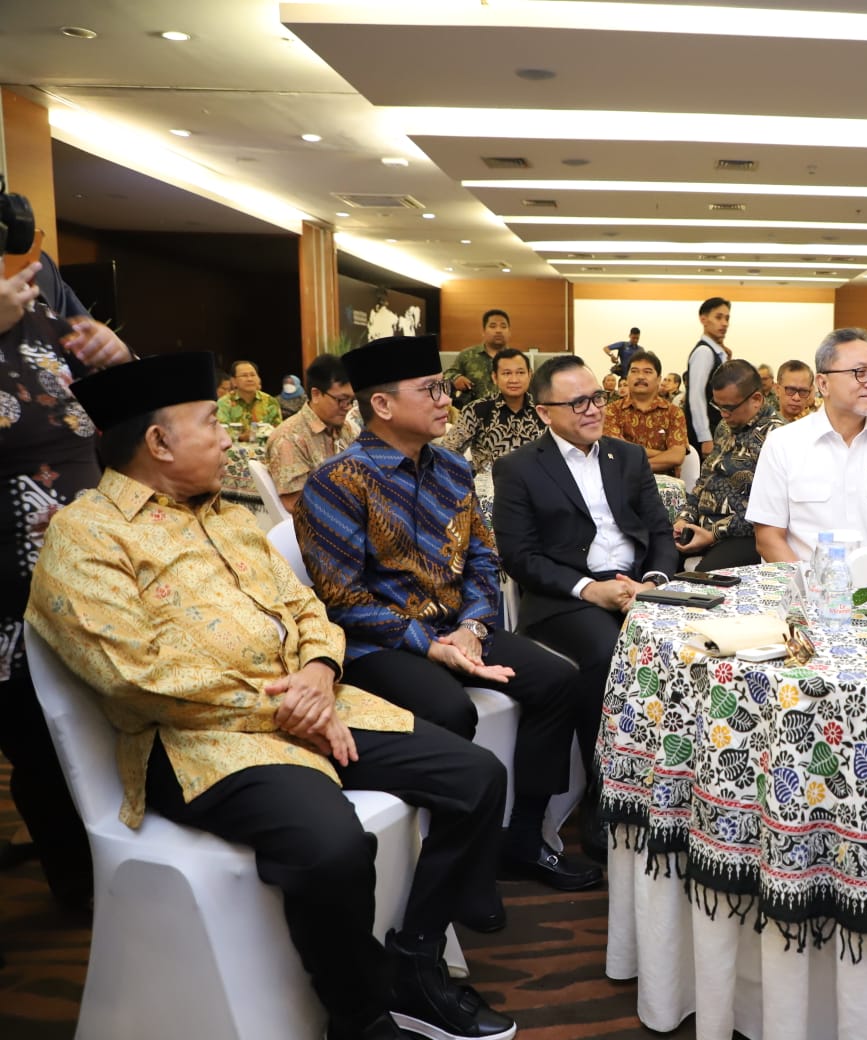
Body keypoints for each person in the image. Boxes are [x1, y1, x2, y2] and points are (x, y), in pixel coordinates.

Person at [27, 351, 516, 1040]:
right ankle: (362, 1015)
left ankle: (414, 960)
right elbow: (134, 678)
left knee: (476, 777)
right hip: (200, 742)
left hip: (312, 708)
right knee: (332, 846)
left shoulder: (228, 517)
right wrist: (288, 709)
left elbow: (309, 608)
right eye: (209, 423)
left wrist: (318, 675)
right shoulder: (86, 536)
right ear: (160, 442)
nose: (230, 435)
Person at [296, 336, 598, 892]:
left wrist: (472, 626)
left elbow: (485, 559)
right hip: (380, 642)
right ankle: (457, 871)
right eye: (430, 389)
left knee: (560, 680)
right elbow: (342, 598)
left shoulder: (453, 470)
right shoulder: (337, 481)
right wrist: (428, 643)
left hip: (457, 628)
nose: (445, 401)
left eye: (442, 387)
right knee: (447, 707)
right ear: (382, 405)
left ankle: (525, 839)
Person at [491, 355, 678, 844]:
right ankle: (604, 793)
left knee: (690, 648)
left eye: (597, 397)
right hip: (564, 595)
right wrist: (590, 589)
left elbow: (659, 530)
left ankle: (670, 784)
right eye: (577, 402)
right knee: (606, 652)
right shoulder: (518, 469)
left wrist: (653, 584)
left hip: (638, 587)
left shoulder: (628, 456)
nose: (593, 409)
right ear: (544, 413)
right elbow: (520, 556)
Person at [0, 259, 131, 917]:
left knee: (94, 714)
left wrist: (119, 360)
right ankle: (79, 888)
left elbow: (133, 420)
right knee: (34, 725)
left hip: (87, 562)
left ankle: (109, 863)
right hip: (9, 579)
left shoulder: (44, 322)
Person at [748, 328, 867, 561]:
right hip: (807, 586)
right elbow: (768, 538)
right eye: (860, 373)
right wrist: (812, 588)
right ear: (823, 384)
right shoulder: (783, 443)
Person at [673, 359, 784, 570]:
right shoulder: (725, 427)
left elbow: (769, 510)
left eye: (729, 408)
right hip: (702, 526)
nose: (723, 414)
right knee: (656, 552)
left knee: (704, 577)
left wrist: (712, 534)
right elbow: (705, 480)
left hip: (744, 534)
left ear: (757, 399)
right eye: (718, 406)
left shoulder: (777, 436)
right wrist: (684, 519)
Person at [266, 353, 361, 513]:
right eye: (341, 400)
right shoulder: (290, 438)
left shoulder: (346, 429)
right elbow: (296, 503)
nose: (348, 407)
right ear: (316, 394)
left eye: (351, 400)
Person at [441, 348, 544, 472]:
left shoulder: (544, 410)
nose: (514, 379)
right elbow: (447, 451)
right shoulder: (476, 409)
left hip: (533, 485)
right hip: (489, 487)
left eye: (520, 373)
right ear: (495, 377)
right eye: (506, 373)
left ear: (530, 375)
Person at [602, 351, 689, 475]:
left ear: (658, 379)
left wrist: (634, 466)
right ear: (627, 377)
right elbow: (616, 449)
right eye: (634, 371)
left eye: (647, 372)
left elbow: (676, 456)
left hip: (663, 485)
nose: (640, 376)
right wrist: (663, 455)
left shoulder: (673, 413)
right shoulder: (611, 410)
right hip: (621, 481)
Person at [685, 297, 732, 458]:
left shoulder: (718, 352)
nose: (724, 323)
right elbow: (696, 397)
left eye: (727, 318)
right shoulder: (704, 352)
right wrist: (705, 437)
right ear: (703, 319)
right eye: (718, 317)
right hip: (706, 434)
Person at [444, 308, 509, 407]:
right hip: (472, 415)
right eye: (493, 326)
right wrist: (456, 378)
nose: (498, 330)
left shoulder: (515, 358)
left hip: (507, 415)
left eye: (503, 326)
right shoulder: (467, 355)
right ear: (483, 331)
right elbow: (447, 374)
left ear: (509, 331)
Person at [217, 359, 282, 438]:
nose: (249, 379)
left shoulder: (270, 401)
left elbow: (278, 430)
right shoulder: (224, 403)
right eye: (244, 375)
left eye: (253, 375)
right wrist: (241, 437)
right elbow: (220, 431)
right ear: (234, 381)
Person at [775, 358, 817, 423]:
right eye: (790, 390)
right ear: (777, 389)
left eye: (803, 391)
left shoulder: (818, 426)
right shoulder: (764, 429)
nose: (796, 398)